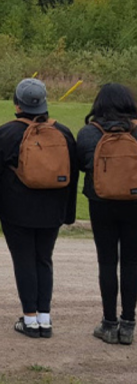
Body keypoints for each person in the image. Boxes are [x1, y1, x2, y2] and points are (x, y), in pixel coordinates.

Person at [0, 78, 78, 338]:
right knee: (44, 260)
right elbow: (72, 176)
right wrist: (68, 213)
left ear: (17, 105)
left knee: (24, 261)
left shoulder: (6, 133)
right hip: (53, 210)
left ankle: (29, 318)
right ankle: (45, 318)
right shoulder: (63, 132)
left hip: (16, 211)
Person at [76, 83, 137, 345]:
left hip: (100, 202)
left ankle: (109, 323)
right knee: (132, 262)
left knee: (107, 262)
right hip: (134, 201)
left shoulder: (90, 132)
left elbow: (82, 165)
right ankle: (129, 323)